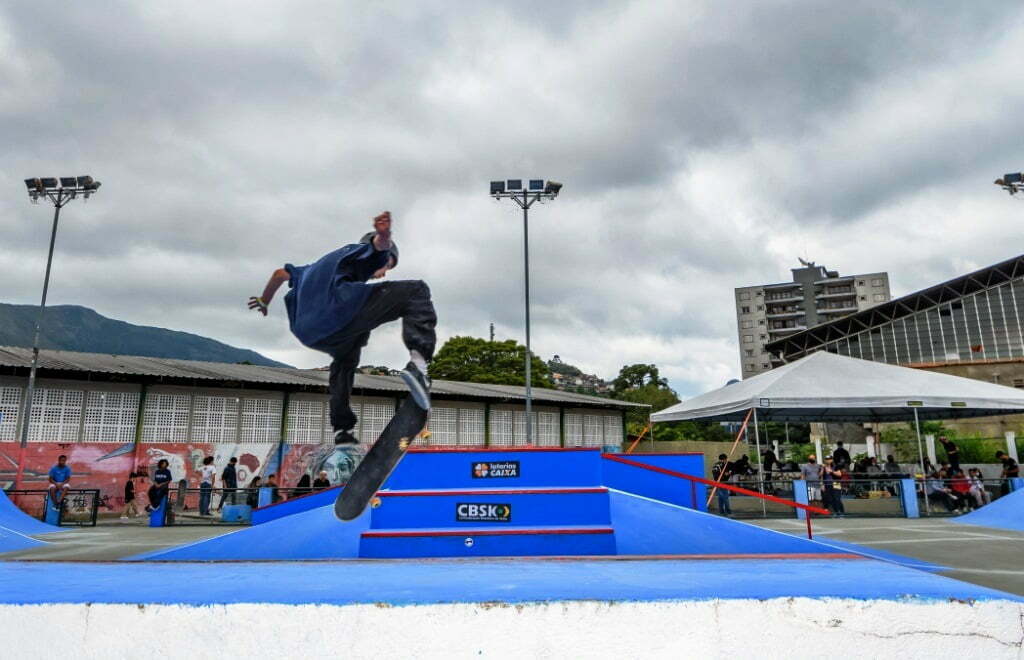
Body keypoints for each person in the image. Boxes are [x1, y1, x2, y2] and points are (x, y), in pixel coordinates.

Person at [249, 211, 436, 445]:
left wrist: (265, 300)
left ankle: (341, 429)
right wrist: (384, 234)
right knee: (416, 291)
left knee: (346, 358)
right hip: (340, 308)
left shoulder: (310, 268)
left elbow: (278, 275)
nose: (384, 273)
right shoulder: (358, 252)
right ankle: (419, 366)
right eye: (388, 266)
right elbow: (379, 247)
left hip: (309, 331)